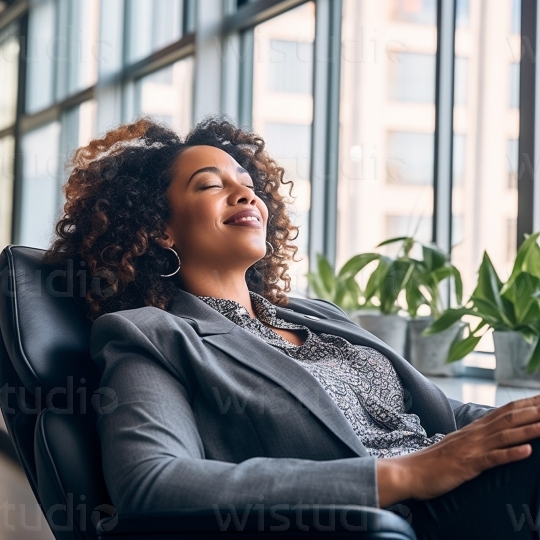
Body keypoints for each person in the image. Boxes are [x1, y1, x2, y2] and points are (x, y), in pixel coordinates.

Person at [44, 117, 540, 539]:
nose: (246, 194)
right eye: (212, 185)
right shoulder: (150, 335)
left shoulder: (321, 317)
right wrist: (402, 474)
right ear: (159, 228)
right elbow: (153, 482)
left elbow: (444, 412)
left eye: (249, 184)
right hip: (403, 513)